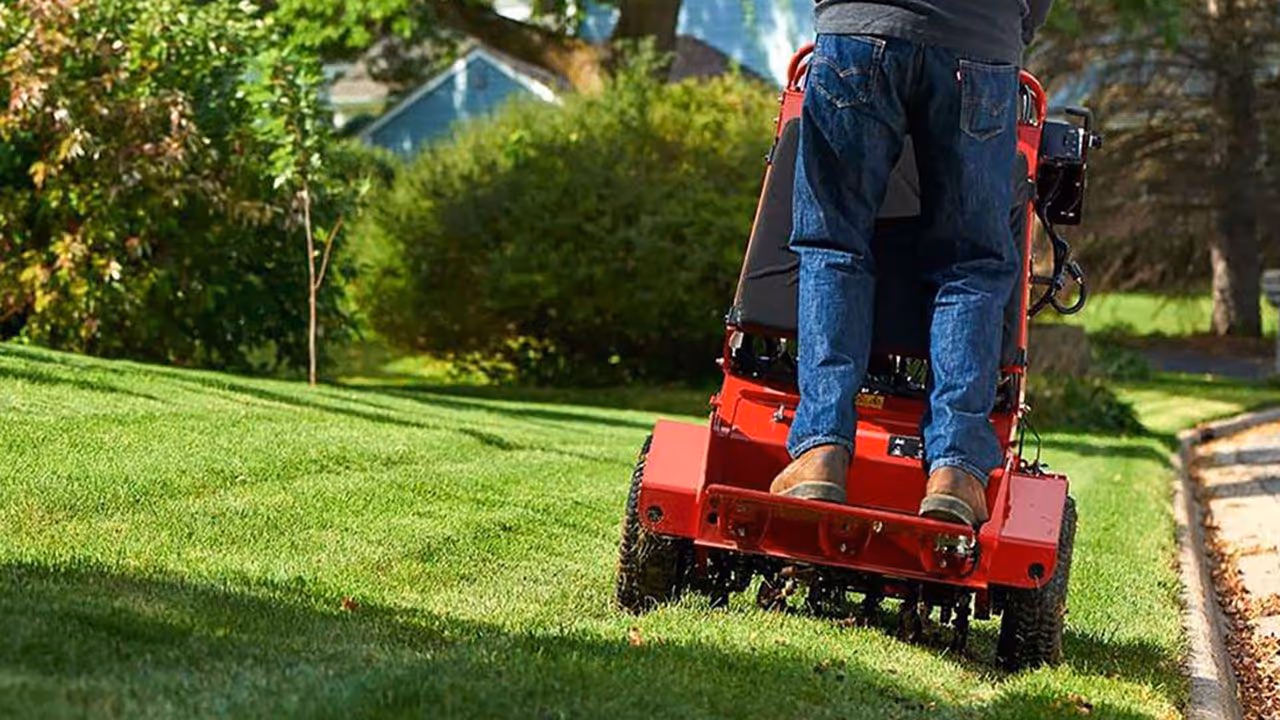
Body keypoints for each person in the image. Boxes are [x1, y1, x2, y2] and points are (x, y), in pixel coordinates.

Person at [768, 0, 1054, 527]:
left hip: (860, 26)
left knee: (835, 243)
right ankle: (957, 473)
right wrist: (1014, 26)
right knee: (970, 263)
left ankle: (820, 452)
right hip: (980, 38)